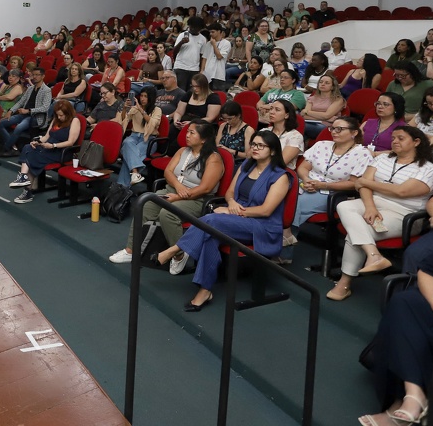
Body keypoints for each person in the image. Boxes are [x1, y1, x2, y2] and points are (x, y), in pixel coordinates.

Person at [152, 131, 291, 311]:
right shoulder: (246, 166)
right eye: (254, 144)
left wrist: (230, 212)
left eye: (261, 146)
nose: (255, 148)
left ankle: (174, 250)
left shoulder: (280, 176)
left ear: (272, 151)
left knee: (212, 220)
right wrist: (231, 204)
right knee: (211, 235)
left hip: (261, 226)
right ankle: (204, 290)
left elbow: (265, 211)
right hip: (236, 219)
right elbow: (229, 194)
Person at [359, 228, 433, 426]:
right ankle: (414, 394)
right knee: (404, 302)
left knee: (404, 336)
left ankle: (400, 405)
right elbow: (429, 272)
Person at [328, 126, 433, 301]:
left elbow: (402, 192)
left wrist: (368, 183)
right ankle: (374, 255)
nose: (394, 141)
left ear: (416, 142)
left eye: (400, 138)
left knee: (355, 233)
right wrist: (370, 206)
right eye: (393, 138)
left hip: (405, 214)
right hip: (374, 203)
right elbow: (361, 185)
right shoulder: (383, 159)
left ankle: (344, 283)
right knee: (343, 206)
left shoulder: (428, 169)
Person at [109, 121, 223, 272]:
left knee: (168, 213)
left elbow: (205, 188)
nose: (187, 135)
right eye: (187, 131)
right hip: (172, 190)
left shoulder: (213, 159)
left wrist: (178, 196)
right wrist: (178, 187)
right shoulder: (183, 150)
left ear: (204, 139)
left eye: (192, 133)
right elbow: (168, 172)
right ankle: (131, 250)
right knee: (144, 206)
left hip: (196, 199)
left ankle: (179, 254)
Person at [281, 117, 371, 254]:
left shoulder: (362, 154)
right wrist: (306, 179)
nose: (334, 132)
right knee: (278, 197)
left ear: (354, 133)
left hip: (333, 193)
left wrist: (322, 185)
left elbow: (354, 184)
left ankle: (284, 250)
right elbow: (303, 168)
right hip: (306, 184)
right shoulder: (322, 144)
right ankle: (281, 239)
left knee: (292, 205)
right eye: (332, 128)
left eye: (340, 129)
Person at [8, 101, 82, 204]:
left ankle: (26, 188)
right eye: (57, 115)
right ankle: (23, 178)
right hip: (48, 147)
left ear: (68, 113)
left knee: (31, 156)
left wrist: (53, 146)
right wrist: (37, 142)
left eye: (61, 115)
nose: (59, 117)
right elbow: (47, 137)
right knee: (28, 147)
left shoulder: (75, 121)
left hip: (61, 151)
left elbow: (71, 142)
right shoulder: (56, 119)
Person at [0, 67, 52, 156]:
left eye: (37, 75)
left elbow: (45, 107)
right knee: (1, 123)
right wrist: (11, 111)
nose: (34, 77)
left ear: (43, 76)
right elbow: (21, 101)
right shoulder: (30, 89)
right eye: (33, 75)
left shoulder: (47, 90)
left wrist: (29, 111)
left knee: (19, 128)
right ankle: (13, 147)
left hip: (35, 117)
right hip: (23, 114)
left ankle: (7, 148)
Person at [115, 86, 163, 186]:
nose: (142, 98)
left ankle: (121, 188)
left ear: (151, 98)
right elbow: (124, 120)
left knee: (128, 159)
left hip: (149, 139)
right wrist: (125, 108)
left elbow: (153, 123)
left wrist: (141, 110)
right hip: (134, 137)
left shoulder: (157, 110)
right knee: (127, 142)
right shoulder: (135, 108)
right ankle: (135, 173)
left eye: (145, 96)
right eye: (141, 96)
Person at [259, 98, 304, 168]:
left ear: (287, 115)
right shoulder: (263, 131)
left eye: (277, 110)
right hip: (257, 168)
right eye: (271, 109)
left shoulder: (295, 136)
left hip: (279, 173)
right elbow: (250, 155)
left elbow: (281, 162)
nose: (271, 112)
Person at [300, 74, 346, 139]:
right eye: (321, 82)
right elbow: (304, 116)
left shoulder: (338, 100)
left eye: (327, 83)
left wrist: (307, 111)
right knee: (300, 128)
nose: (323, 84)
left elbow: (326, 115)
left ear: (332, 87)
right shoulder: (312, 98)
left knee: (299, 126)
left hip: (327, 127)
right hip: (310, 123)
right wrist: (326, 118)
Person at [173, 16, 206, 91]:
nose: (193, 29)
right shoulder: (182, 35)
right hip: (181, 67)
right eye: (191, 27)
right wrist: (181, 42)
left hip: (194, 69)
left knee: (191, 91)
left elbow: (201, 55)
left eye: (196, 27)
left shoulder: (203, 39)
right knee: (180, 90)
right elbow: (174, 51)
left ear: (200, 28)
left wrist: (200, 70)